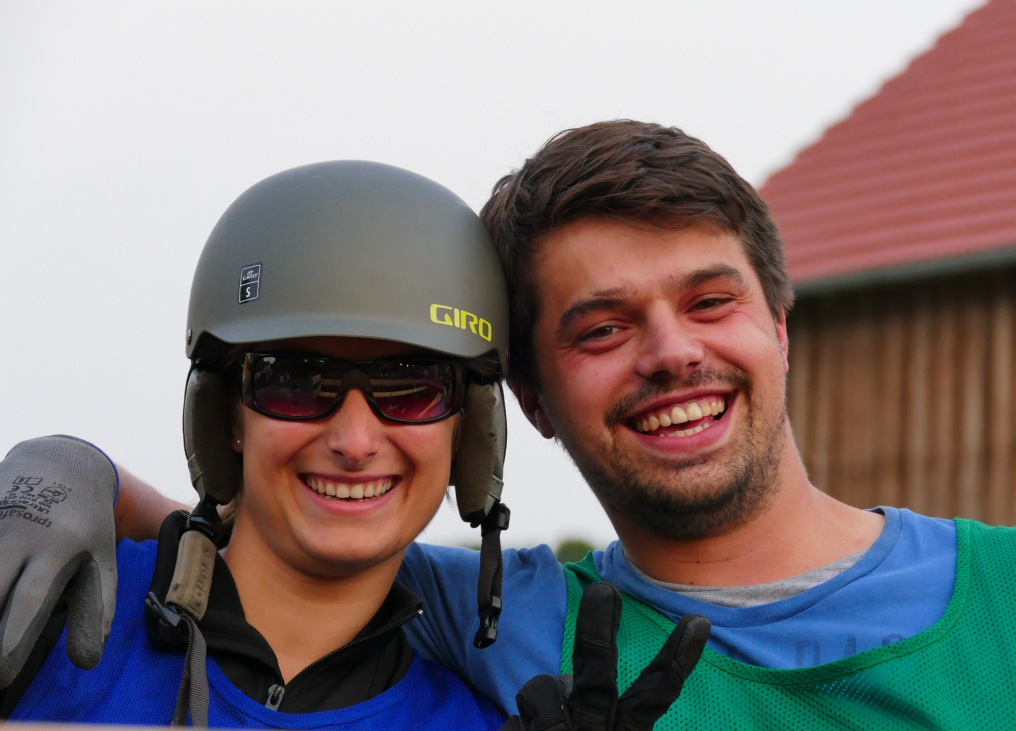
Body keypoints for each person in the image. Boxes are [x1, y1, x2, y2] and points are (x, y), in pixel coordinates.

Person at [2, 120, 1016, 728]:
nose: (671, 349)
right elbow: (266, 546)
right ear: (524, 401)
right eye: (601, 326)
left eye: (708, 300)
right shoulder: (506, 627)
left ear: (777, 319)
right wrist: (68, 471)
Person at [0, 158, 706, 729]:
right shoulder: (42, 610)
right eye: (296, 380)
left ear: (471, 432)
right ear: (228, 416)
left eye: (413, 387)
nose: (355, 439)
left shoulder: (482, 720)